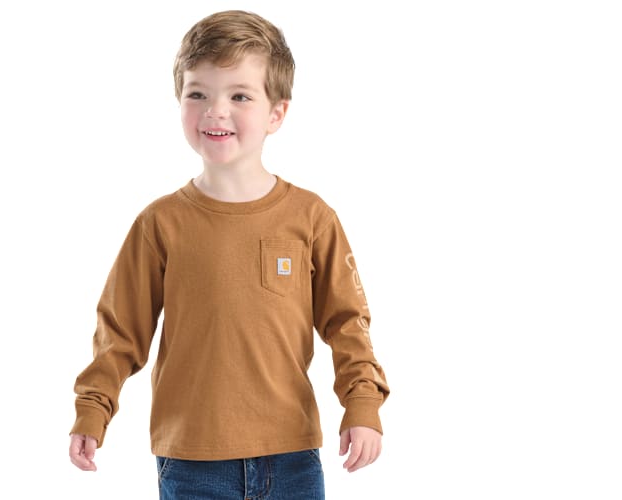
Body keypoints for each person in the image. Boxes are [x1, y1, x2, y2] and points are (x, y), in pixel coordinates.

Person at [69, 10, 389, 499]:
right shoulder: (159, 224)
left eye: (239, 96)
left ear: (276, 113)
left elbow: (348, 322)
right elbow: (120, 329)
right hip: (191, 463)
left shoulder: (312, 217)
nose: (215, 111)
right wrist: (93, 407)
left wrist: (362, 404)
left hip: (292, 457)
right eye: (198, 94)